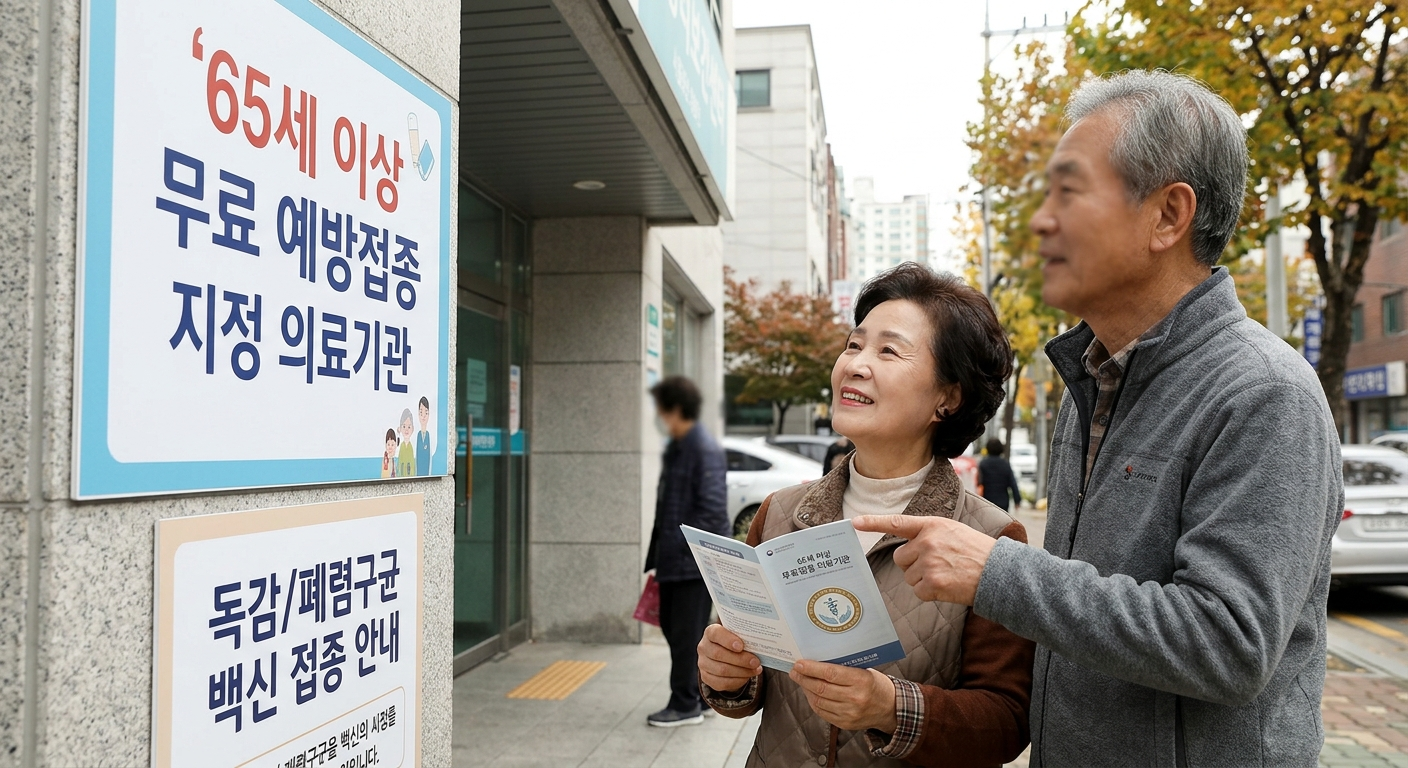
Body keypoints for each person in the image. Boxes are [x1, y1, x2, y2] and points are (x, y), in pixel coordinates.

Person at [855, 71, 1342, 766]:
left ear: (1169, 216)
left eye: (1071, 192)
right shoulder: (1091, 381)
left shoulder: (1264, 394)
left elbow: (1230, 644)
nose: (1042, 221)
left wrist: (998, 573)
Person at [699, 264, 1034, 767]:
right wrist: (727, 676)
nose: (854, 364)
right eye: (854, 345)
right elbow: (751, 684)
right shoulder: (779, 514)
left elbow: (1007, 723)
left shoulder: (991, 537)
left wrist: (889, 707)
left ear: (948, 397)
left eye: (888, 350)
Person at [644, 376, 729, 727]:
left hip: (691, 563)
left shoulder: (701, 448)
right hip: (674, 561)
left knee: (684, 634)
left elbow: (711, 511)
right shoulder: (679, 447)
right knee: (678, 629)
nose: (658, 416)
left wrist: (683, 554)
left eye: (661, 409)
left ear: (675, 409)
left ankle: (684, 705)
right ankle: (698, 696)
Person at [977, 438, 1022, 511]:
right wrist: (1017, 500)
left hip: (986, 501)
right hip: (1003, 502)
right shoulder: (1005, 464)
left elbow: (979, 483)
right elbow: (1013, 483)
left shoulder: (983, 464)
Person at [416, 396, 432, 476]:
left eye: (426, 413)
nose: (423, 416)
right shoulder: (418, 435)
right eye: (421, 413)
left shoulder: (429, 436)